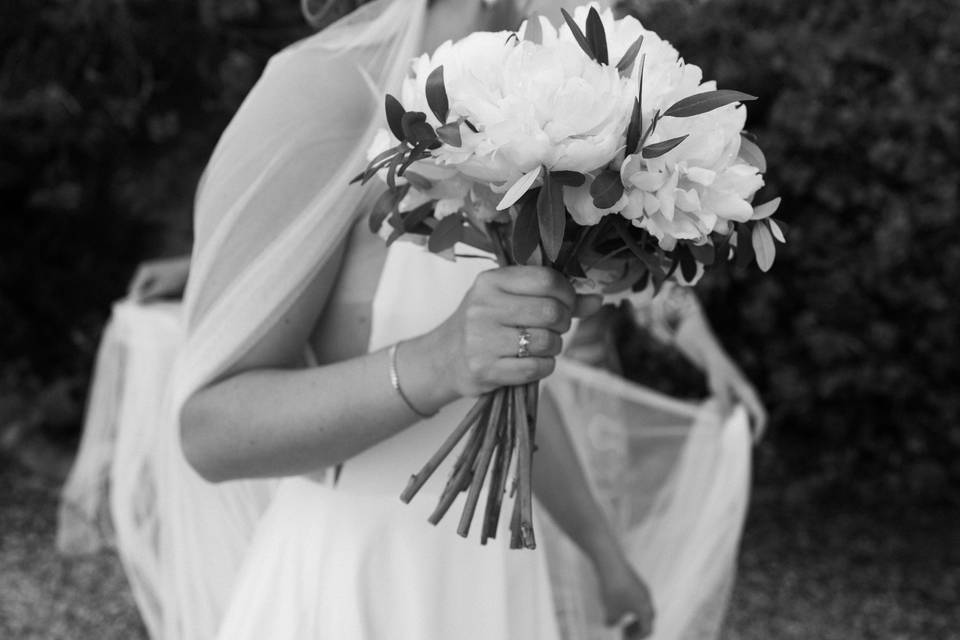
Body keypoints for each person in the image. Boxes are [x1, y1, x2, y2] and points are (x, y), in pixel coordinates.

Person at [58, 1, 763, 638]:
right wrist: (435, 361)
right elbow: (210, 429)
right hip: (361, 590)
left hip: (497, 590)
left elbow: (512, 376)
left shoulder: (557, 115)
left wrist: (604, 552)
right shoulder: (324, 91)